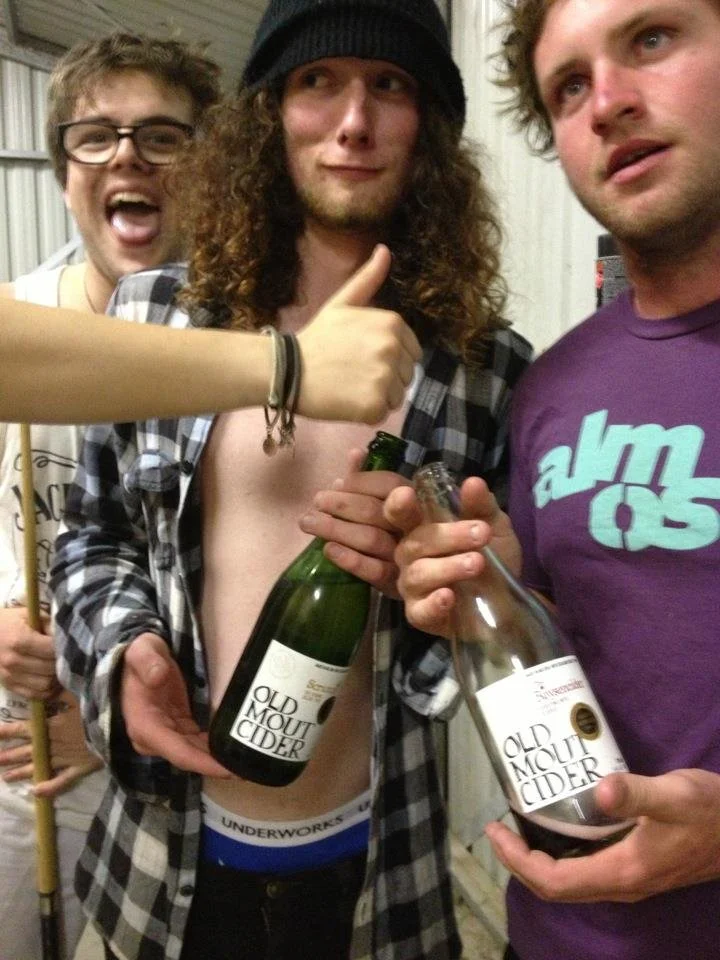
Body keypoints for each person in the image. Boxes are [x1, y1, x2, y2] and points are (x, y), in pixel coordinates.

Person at [50, 2, 531, 959]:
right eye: (318, 81)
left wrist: (456, 597)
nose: (353, 122)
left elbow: (491, 647)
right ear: (270, 112)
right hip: (161, 867)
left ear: (429, 128)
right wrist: (123, 653)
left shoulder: (486, 369)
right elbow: (92, 535)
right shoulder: (155, 318)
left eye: (389, 85)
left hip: (380, 874)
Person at [386, 1, 720, 958]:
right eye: (569, 87)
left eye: (651, 39)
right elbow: (568, 626)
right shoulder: (554, 385)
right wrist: (484, 582)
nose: (608, 102)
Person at [0, 31, 224, 960]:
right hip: (16, 755)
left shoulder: (241, 353)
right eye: (95, 137)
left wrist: (105, 721)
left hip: (168, 768)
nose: (128, 156)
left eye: (163, 137)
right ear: (63, 173)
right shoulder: (16, 328)